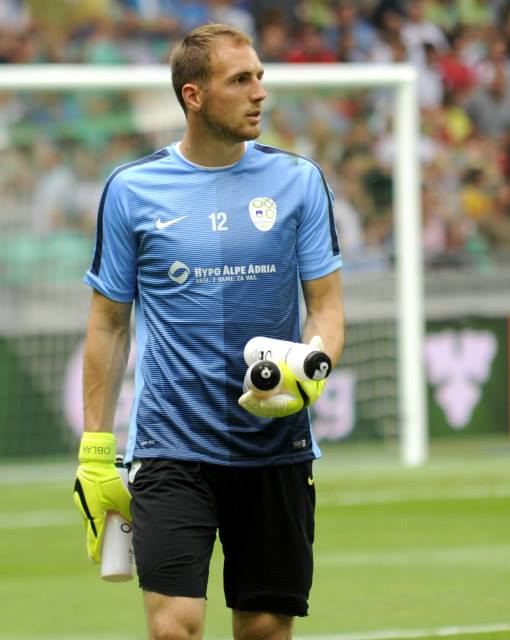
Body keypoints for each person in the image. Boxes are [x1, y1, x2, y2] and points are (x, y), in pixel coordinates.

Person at [71, 23, 344, 640]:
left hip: (275, 446)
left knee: (265, 630)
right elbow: (109, 322)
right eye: (240, 80)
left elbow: (325, 308)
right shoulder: (132, 189)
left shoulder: (298, 182)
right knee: (175, 628)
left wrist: (312, 369)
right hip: (172, 448)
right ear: (193, 95)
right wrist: (94, 453)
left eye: (260, 78)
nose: (259, 94)